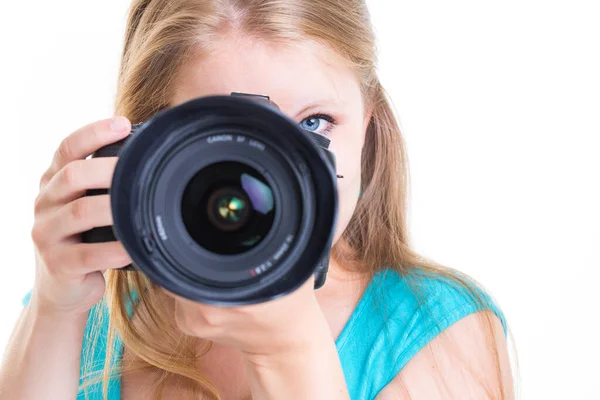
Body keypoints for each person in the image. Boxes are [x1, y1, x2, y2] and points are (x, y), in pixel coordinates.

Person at [0, 0, 515, 399]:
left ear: (369, 124)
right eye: (226, 137)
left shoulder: (434, 331)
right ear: (150, 143)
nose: (273, 177)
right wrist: (53, 309)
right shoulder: (91, 318)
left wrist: (289, 354)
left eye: (314, 124)